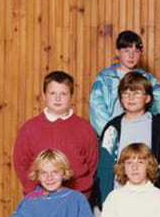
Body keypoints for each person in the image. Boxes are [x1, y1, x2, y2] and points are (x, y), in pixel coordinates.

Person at [13, 71, 98, 200]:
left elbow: (92, 163)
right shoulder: (29, 128)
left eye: (63, 94)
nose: (57, 98)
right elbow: (21, 164)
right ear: (44, 96)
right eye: (52, 93)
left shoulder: (85, 128)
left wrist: (82, 193)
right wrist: (34, 192)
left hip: (76, 197)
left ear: (71, 96)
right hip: (40, 198)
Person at [95, 71, 160, 206]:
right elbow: (104, 167)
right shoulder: (112, 128)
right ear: (120, 98)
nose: (130, 97)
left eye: (136, 93)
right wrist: (104, 200)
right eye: (126, 93)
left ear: (147, 98)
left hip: (151, 198)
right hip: (119, 198)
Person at [89, 30, 160, 135]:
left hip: (142, 135)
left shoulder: (149, 80)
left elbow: (159, 107)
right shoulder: (105, 79)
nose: (131, 56)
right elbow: (97, 111)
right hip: (113, 135)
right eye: (126, 51)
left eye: (136, 51)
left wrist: (151, 132)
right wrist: (111, 135)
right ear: (117, 52)